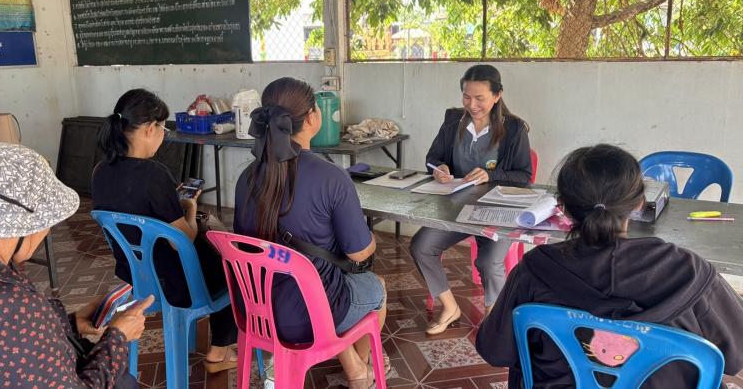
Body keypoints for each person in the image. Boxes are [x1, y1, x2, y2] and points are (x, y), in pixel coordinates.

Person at [476, 144, 743, 388]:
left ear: (563, 208)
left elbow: (495, 351)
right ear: (639, 204)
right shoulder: (691, 272)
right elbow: (736, 357)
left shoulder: (535, 270)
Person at [0, 141, 154, 388]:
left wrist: (69, 324)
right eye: (45, 221)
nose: (46, 230)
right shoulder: (15, 309)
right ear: (18, 223)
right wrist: (118, 337)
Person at [233, 77, 387, 389]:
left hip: (255, 312)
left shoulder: (247, 176)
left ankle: (352, 366)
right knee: (376, 286)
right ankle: (360, 372)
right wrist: (370, 240)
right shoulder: (331, 177)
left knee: (324, 283)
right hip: (310, 317)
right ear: (313, 118)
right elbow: (359, 253)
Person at [92, 88, 236, 373]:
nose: (163, 135)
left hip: (138, 277)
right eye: (162, 129)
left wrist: (172, 203)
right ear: (150, 128)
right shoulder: (154, 175)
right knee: (232, 268)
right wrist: (190, 208)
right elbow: (183, 238)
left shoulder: (100, 171)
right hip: (175, 281)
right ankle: (219, 351)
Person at [410, 64, 532, 334]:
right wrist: (439, 168)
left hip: (497, 210)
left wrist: (491, 175)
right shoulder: (453, 121)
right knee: (421, 246)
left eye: (480, 98)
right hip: (457, 207)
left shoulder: (514, 129)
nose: (472, 105)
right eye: (467, 97)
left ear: (497, 95)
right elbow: (432, 158)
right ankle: (450, 307)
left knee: (488, 262)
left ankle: (494, 320)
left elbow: (524, 176)